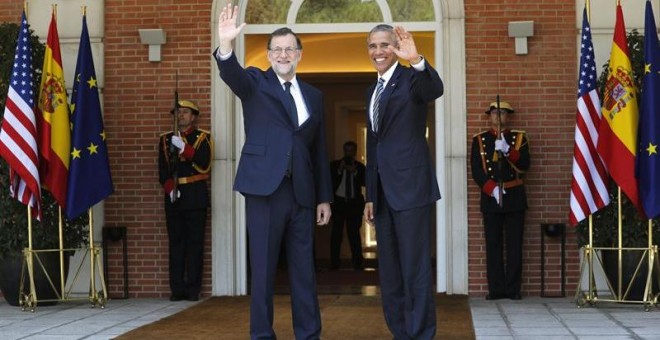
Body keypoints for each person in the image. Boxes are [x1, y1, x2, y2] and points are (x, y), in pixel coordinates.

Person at [212, 4, 332, 339]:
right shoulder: (255, 82)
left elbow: (318, 150)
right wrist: (225, 47)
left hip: (303, 193)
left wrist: (324, 197)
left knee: (304, 271)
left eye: (289, 49)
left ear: (299, 54)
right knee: (263, 270)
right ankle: (262, 335)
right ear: (268, 55)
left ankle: (308, 334)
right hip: (265, 190)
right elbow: (231, 74)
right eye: (276, 50)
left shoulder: (314, 95)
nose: (283, 55)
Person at [362, 24, 443, 340]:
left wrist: (417, 60)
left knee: (415, 269)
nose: (378, 52)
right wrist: (370, 195)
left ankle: (421, 333)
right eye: (372, 46)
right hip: (382, 194)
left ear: (396, 47)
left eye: (385, 45)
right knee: (391, 273)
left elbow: (434, 90)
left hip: (411, 190)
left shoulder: (412, 79)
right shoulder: (373, 90)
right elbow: (374, 145)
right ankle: (400, 332)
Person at [470, 101, 530, 300]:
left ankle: (513, 289)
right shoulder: (479, 140)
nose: (497, 116)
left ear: (508, 116)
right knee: (493, 245)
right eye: (494, 113)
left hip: (514, 196)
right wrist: (491, 188)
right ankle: (496, 289)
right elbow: (476, 170)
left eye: (501, 113)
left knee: (514, 245)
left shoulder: (519, 138)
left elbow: (524, 165)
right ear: (489, 116)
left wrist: (507, 150)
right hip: (491, 197)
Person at [158, 99, 212, 302]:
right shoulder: (165, 139)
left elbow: (204, 164)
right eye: (177, 112)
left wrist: (184, 149)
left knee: (195, 244)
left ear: (194, 116)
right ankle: (177, 289)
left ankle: (193, 290)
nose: (180, 115)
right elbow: (162, 171)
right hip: (175, 197)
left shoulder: (202, 138)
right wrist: (170, 189)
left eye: (185, 112)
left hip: (195, 195)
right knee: (176, 243)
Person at [330, 141, 366, 271]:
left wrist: (355, 172)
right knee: (336, 234)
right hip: (339, 203)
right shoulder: (335, 165)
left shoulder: (360, 167)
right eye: (346, 150)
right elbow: (330, 181)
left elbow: (366, 182)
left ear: (355, 152)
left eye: (351, 151)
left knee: (354, 234)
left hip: (354, 205)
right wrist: (340, 170)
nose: (348, 153)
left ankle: (357, 262)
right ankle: (334, 263)